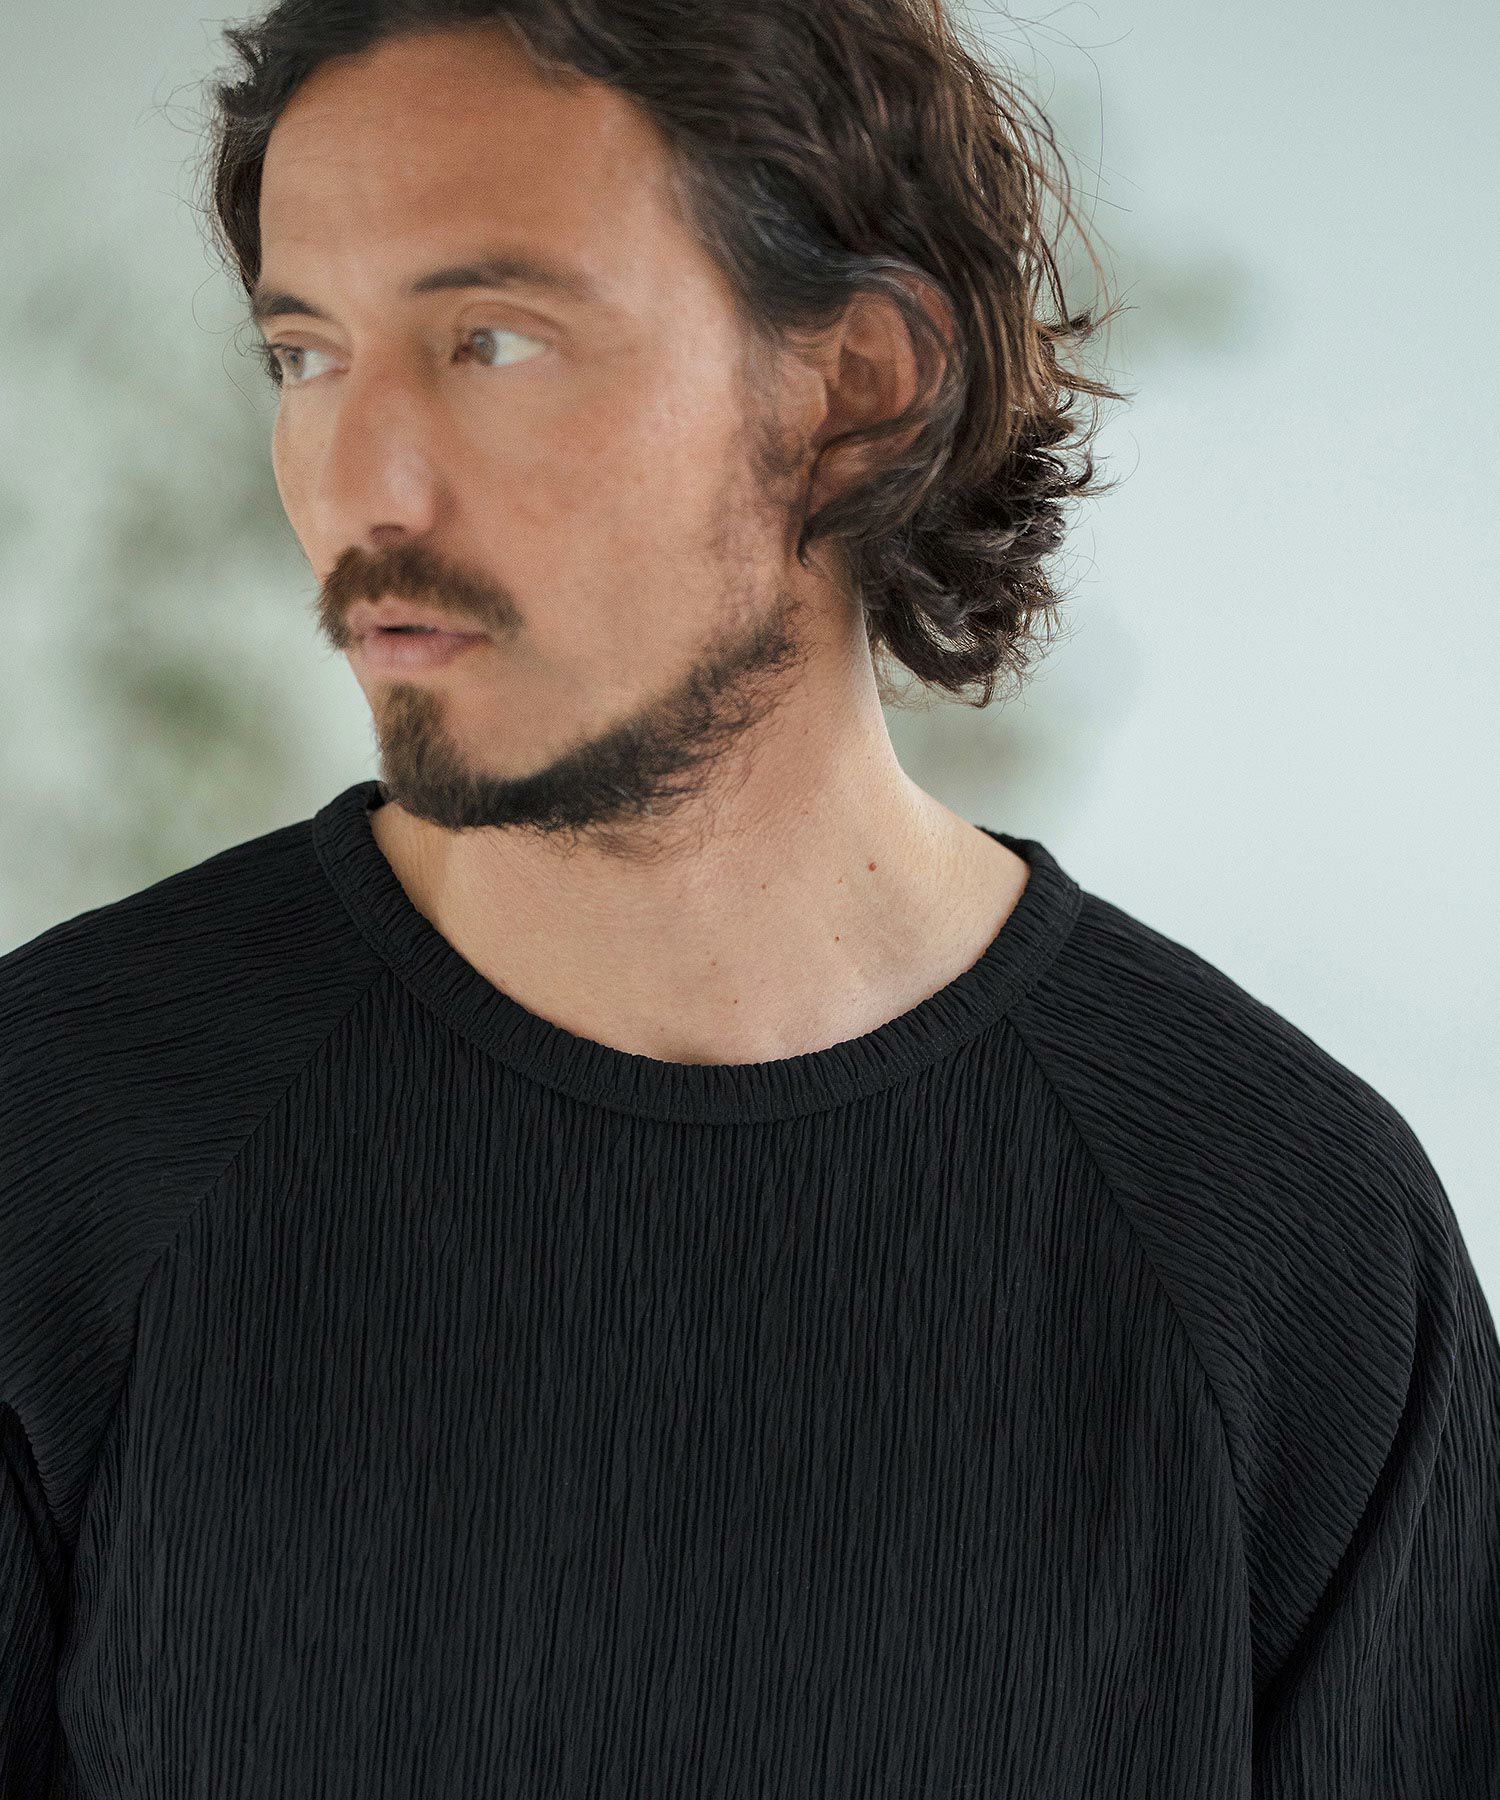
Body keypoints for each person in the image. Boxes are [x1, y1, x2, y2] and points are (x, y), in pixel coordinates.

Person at [3, 5, 1496, 1796]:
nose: (359, 485)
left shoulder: (1289, 1238)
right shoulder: (51, 1133)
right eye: (304, 355)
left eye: (491, 339)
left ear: (852, 387)